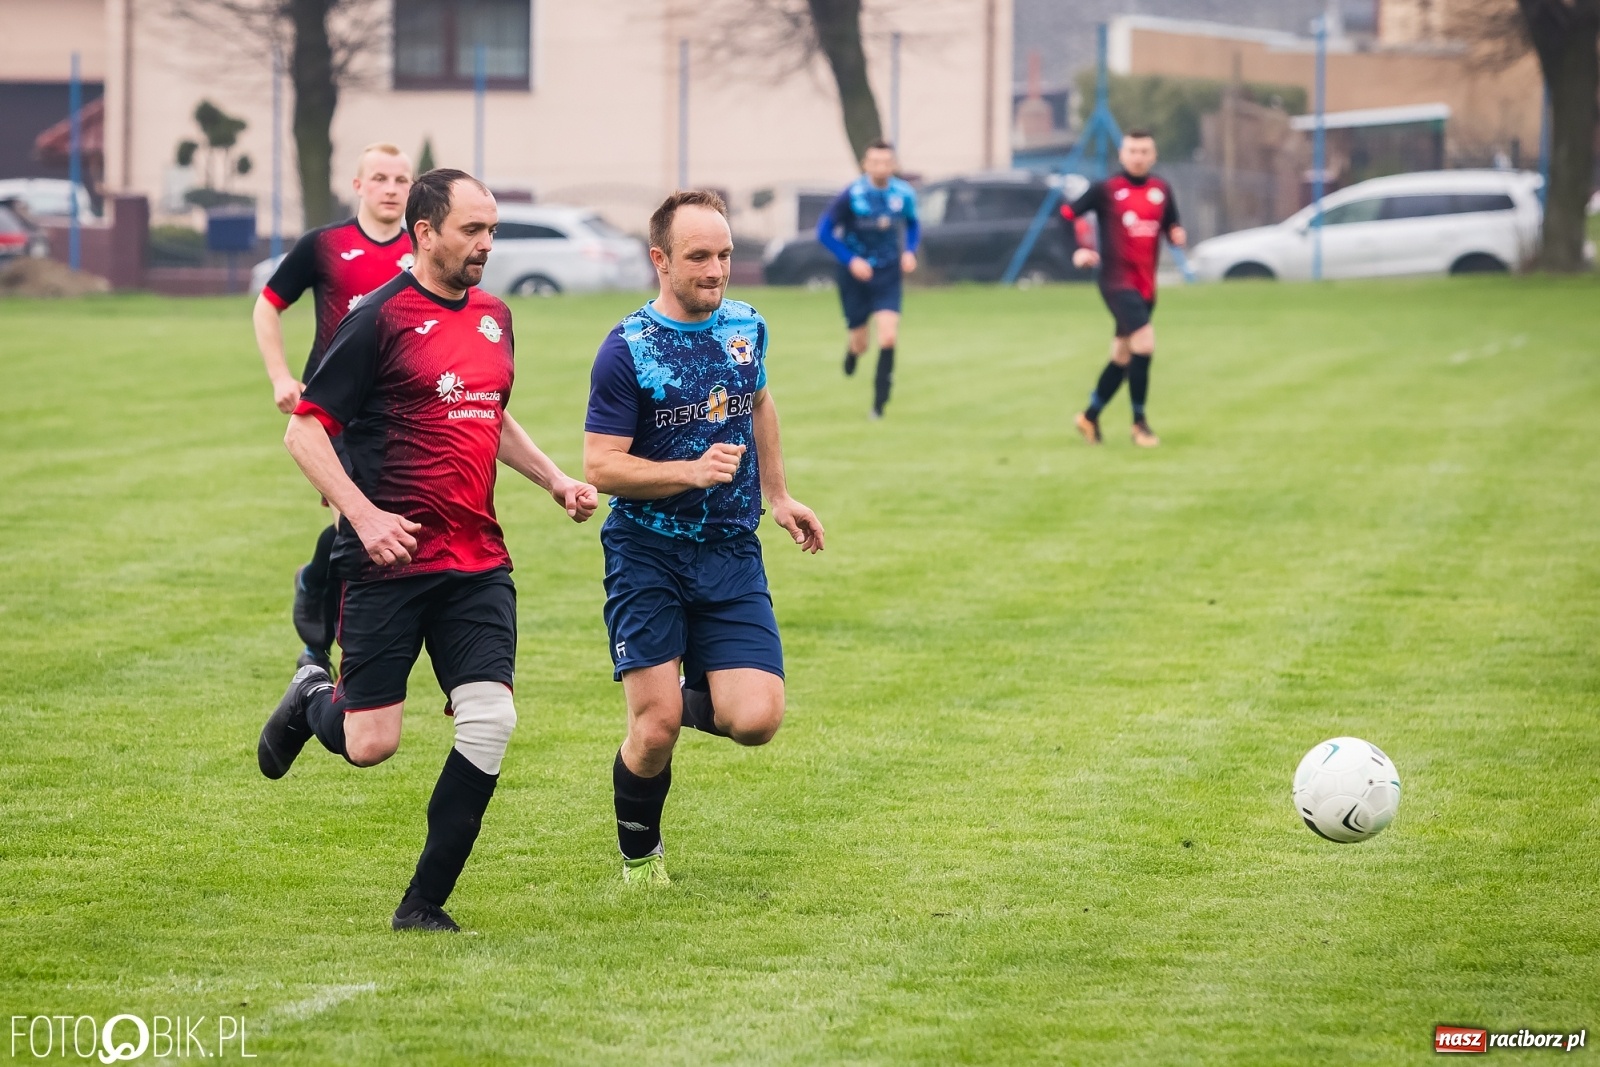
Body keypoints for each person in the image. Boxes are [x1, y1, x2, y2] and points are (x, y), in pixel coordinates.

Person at [255, 168, 599, 932]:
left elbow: (488, 410)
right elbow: (303, 431)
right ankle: (312, 690)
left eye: (491, 230)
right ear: (424, 231)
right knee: (370, 741)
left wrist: (552, 478)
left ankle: (423, 904)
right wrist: (365, 516)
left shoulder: (496, 316)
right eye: (471, 230)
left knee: (491, 721)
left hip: (476, 561)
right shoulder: (378, 318)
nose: (485, 244)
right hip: (389, 561)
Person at [583, 190, 825, 886]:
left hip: (728, 549)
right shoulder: (628, 348)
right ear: (660, 260)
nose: (717, 269)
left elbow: (758, 402)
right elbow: (601, 465)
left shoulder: (748, 325)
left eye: (724, 254)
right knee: (654, 731)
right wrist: (689, 471)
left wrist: (777, 495)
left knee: (755, 718)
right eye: (699, 257)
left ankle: (667, 692)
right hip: (646, 549)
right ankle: (639, 855)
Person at [253, 143, 417, 672]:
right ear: (359, 185)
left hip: (398, 414)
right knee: (357, 518)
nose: (391, 189)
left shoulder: (423, 250)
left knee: (374, 518)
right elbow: (268, 304)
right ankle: (327, 648)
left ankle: (317, 586)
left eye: (401, 180)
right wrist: (281, 376)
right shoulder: (325, 245)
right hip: (334, 412)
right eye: (381, 178)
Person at [1059, 129, 1187, 448]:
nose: (1139, 157)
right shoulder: (1106, 189)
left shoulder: (1162, 190)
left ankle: (1089, 417)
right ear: (1122, 155)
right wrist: (1080, 249)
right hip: (1116, 282)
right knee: (1145, 343)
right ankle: (1140, 426)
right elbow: (1066, 215)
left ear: (1153, 156)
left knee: (1122, 356)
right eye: (1132, 150)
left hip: (1146, 285)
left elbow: (1172, 225)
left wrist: (1175, 234)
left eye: (1145, 151)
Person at [817, 139, 919, 419]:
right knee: (861, 344)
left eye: (887, 162)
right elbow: (824, 232)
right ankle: (852, 352)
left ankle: (879, 405)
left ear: (894, 165)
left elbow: (912, 224)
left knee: (888, 337)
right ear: (866, 164)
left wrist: (909, 251)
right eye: (875, 162)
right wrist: (852, 260)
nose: (881, 167)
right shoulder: (852, 195)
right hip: (854, 276)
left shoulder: (904, 194)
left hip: (888, 273)